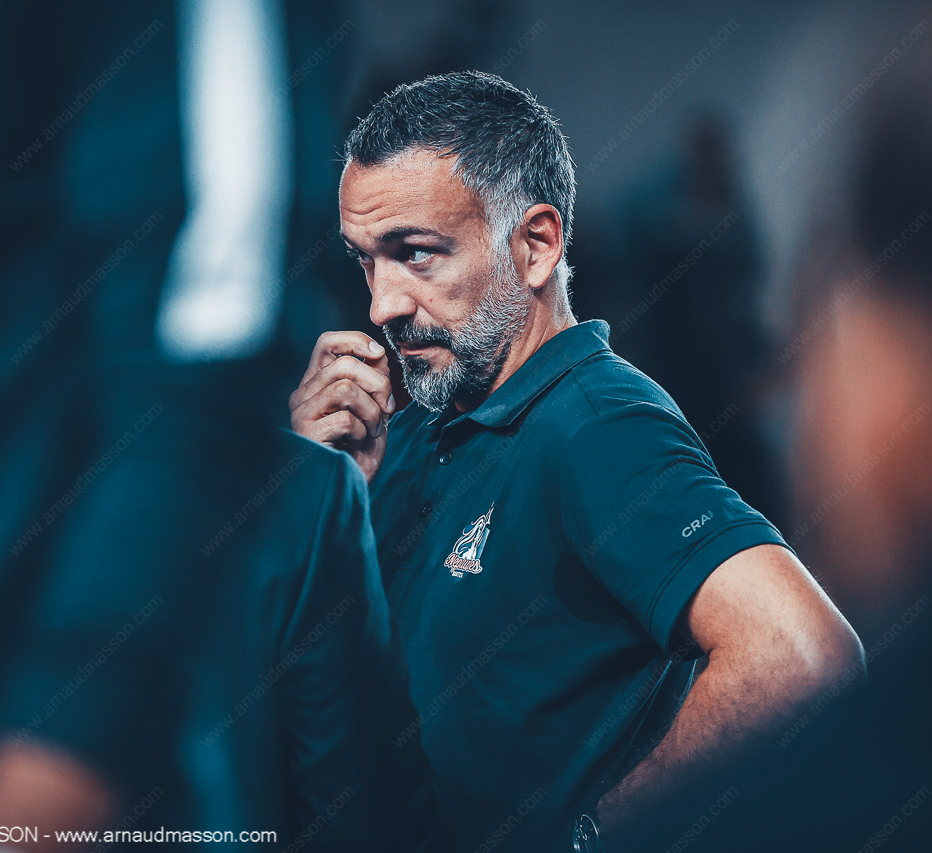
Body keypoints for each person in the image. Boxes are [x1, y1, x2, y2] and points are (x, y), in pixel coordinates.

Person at [289, 70, 864, 852]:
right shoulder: (410, 431)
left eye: (416, 254)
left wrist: (598, 836)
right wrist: (324, 503)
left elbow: (802, 655)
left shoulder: (596, 422)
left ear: (535, 246)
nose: (381, 304)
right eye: (367, 261)